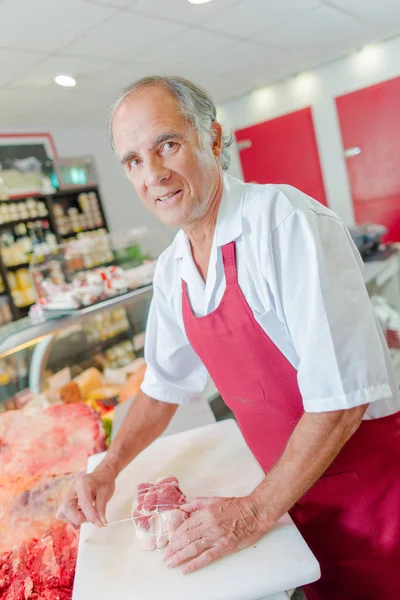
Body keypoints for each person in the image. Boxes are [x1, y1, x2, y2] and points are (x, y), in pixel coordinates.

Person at [58, 76, 400, 599]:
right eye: (133, 161)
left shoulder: (284, 223)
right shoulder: (173, 268)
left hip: (366, 495)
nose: (154, 174)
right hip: (288, 492)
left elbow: (340, 404)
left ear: (213, 140)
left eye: (167, 144)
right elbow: (163, 385)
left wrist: (252, 512)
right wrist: (108, 470)